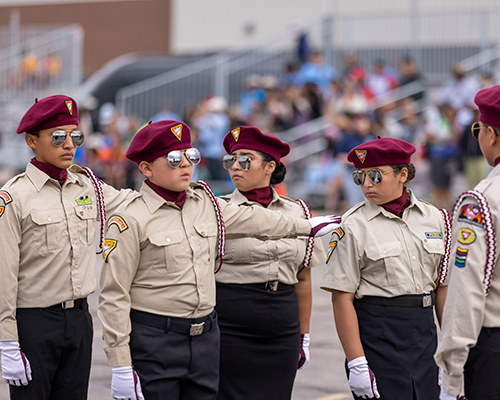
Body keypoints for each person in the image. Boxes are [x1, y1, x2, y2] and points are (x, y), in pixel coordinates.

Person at [97, 120, 340, 400]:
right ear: (146, 168)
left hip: (205, 341)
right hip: (155, 339)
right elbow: (113, 295)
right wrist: (121, 365)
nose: (186, 164)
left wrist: (307, 227)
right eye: (174, 159)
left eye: (191, 156)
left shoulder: (207, 204)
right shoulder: (130, 218)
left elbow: (257, 219)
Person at [0, 95, 135, 400]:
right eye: (58, 136)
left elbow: (135, 203)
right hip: (33, 324)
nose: (69, 144)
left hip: (79, 320)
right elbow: (3, 275)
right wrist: (7, 342)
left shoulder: (88, 187)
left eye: (76, 136)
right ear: (32, 141)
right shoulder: (14, 197)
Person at [320, 136, 451, 399]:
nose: (367, 184)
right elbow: (341, 297)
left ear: (403, 174)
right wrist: (356, 362)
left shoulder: (435, 218)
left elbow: (443, 288)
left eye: (376, 176)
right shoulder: (352, 225)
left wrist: (450, 352)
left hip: (425, 336)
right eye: (360, 177)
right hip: (378, 336)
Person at [215, 126, 327, 400]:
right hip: (230, 325)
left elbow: (303, 278)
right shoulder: (217, 209)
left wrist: (304, 335)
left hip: (282, 327)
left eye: (245, 159)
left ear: (270, 167)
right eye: (231, 160)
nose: (235, 167)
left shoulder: (298, 211)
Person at [435, 85, 500, 399]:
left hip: (493, 350)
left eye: (480, 129)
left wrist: (453, 371)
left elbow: (466, 289)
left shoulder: (481, 202)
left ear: (492, 135)